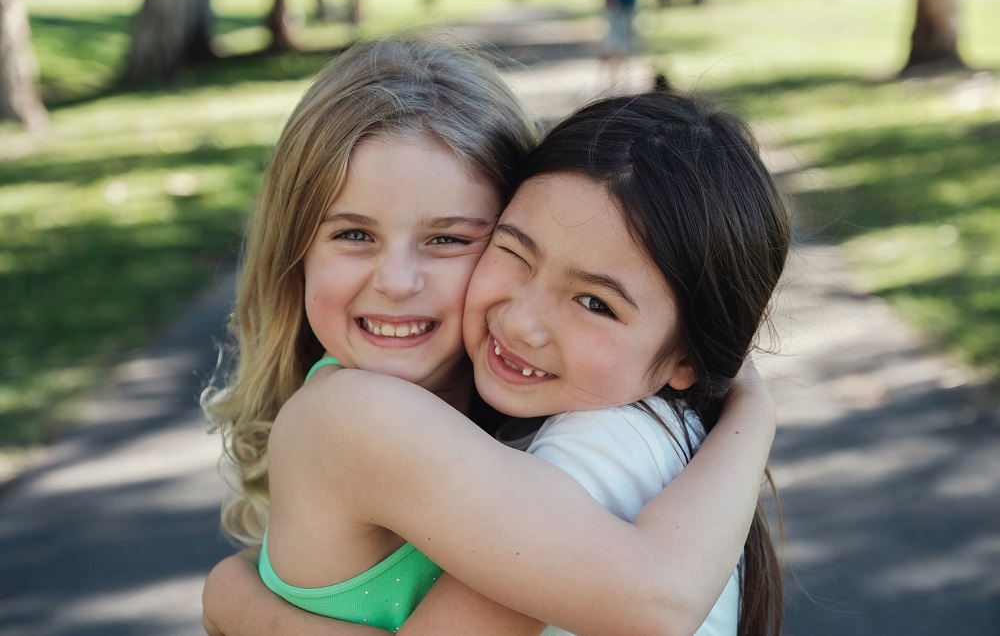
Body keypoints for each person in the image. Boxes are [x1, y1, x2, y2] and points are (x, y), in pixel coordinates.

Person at [203, 36, 785, 636]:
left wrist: (238, 599)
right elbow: (658, 600)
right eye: (353, 235)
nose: (398, 282)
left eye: (449, 239)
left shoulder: (534, 434)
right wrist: (754, 412)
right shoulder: (354, 413)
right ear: (296, 250)